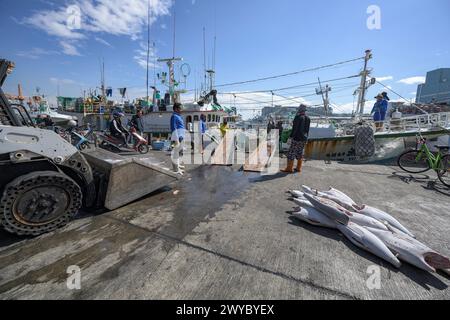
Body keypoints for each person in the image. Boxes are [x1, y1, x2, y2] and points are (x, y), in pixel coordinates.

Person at [281, 104, 310, 173]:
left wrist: (290, 137)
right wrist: (306, 139)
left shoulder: (298, 117)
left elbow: (295, 129)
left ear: (299, 110)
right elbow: (307, 130)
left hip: (297, 138)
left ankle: (289, 168)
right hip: (303, 139)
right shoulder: (308, 118)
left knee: (291, 153)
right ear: (305, 110)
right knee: (299, 153)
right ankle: (298, 168)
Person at [170, 103, 185, 174]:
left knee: (178, 153)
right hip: (176, 138)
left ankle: (178, 165)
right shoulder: (174, 116)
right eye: (180, 108)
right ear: (176, 109)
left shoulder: (178, 116)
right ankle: (176, 170)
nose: (181, 109)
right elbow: (174, 128)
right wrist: (176, 139)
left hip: (180, 137)